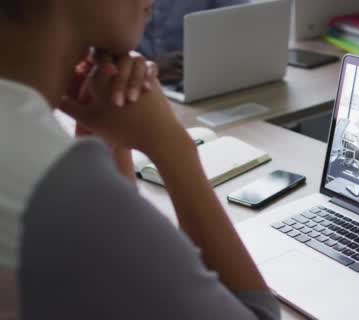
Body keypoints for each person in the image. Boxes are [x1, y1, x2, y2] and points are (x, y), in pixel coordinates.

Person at [0, 1, 278, 319]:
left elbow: (114, 277)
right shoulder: (56, 186)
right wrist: (171, 147)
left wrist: (108, 137)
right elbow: (257, 313)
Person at [138, 0, 250, 82]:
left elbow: (239, 34)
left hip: (197, 80)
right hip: (133, 82)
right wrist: (151, 67)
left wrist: (196, 65)